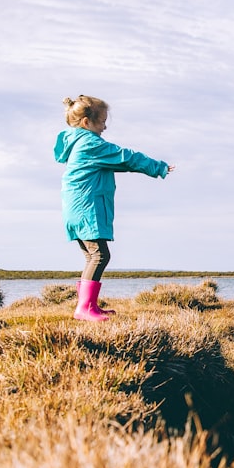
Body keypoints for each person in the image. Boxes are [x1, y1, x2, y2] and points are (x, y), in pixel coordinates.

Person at [54, 95, 175, 321]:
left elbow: (119, 163)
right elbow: (125, 158)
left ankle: (89, 306)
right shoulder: (91, 144)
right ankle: (84, 308)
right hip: (86, 207)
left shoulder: (77, 143)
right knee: (100, 255)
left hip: (75, 209)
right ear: (86, 123)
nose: (105, 126)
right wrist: (157, 167)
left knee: (92, 257)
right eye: (101, 122)